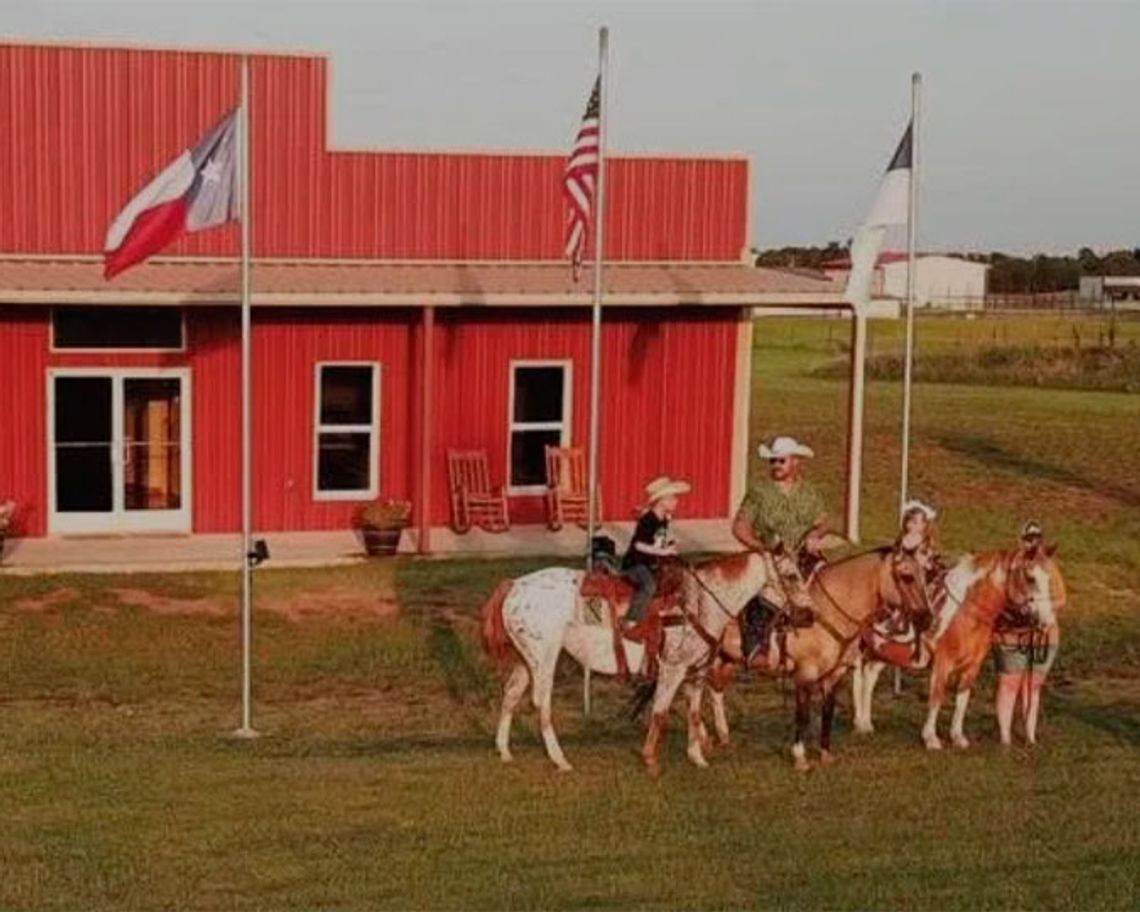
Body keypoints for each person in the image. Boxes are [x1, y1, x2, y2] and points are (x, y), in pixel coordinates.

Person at [732, 437, 833, 628]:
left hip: (804, 556)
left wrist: (815, 534)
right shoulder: (759, 492)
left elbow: (824, 523)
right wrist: (761, 547)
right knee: (761, 598)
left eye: (781, 460)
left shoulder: (809, 492)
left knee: (828, 584)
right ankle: (756, 645)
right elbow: (740, 527)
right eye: (773, 461)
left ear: (795, 461)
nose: (776, 465)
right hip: (771, 556)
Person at [622, 476, 689, 627]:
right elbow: (639, 545)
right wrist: (663, 553)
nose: (676, 501)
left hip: (651, 562)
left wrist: (669, 546)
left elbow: (657, 541)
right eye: (672, 498)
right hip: (636, 564)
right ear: (661, 500)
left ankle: (660, 610)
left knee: (674, 576)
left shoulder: (664, 518)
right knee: (649, 585)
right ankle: (631, 619)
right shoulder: (648, 520)